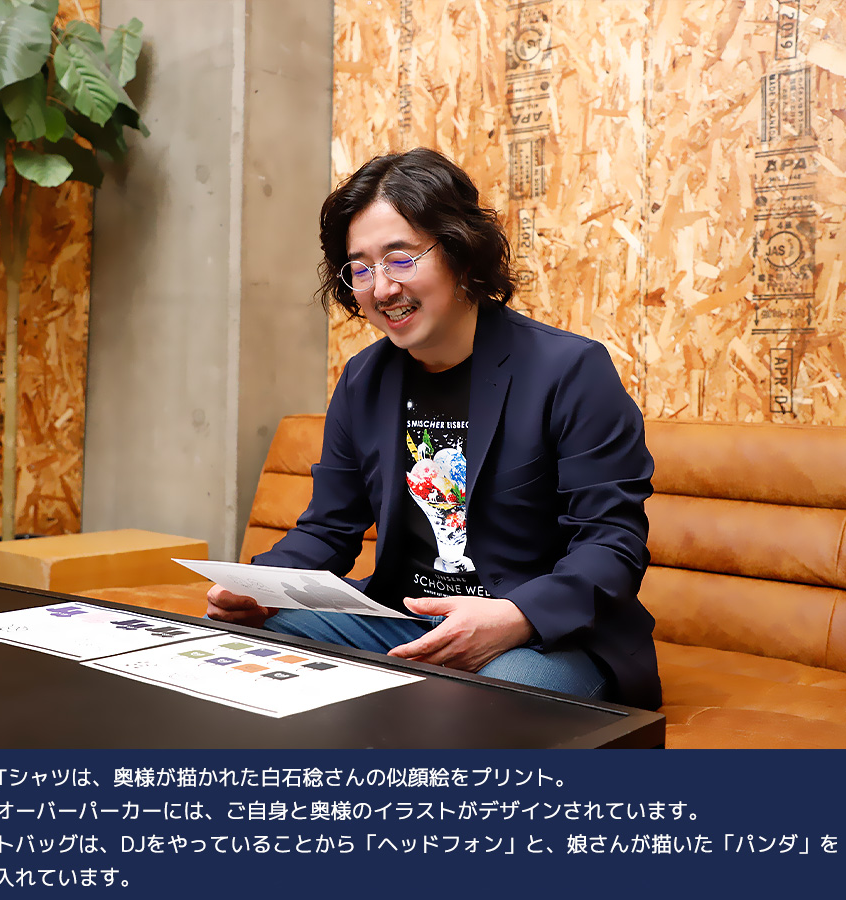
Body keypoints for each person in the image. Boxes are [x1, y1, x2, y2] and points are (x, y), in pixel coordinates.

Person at [207, 147, 661, 711]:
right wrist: (254, 587)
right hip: (403, 621)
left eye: (400, 259)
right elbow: (329, 528)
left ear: (460, 252)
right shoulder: (364, 379)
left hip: (542, 636)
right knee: (242, 641)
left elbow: (610, 542)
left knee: (485, 699)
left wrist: (515, 616)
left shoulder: (569, 370)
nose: (381, 288)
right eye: (360, 268)